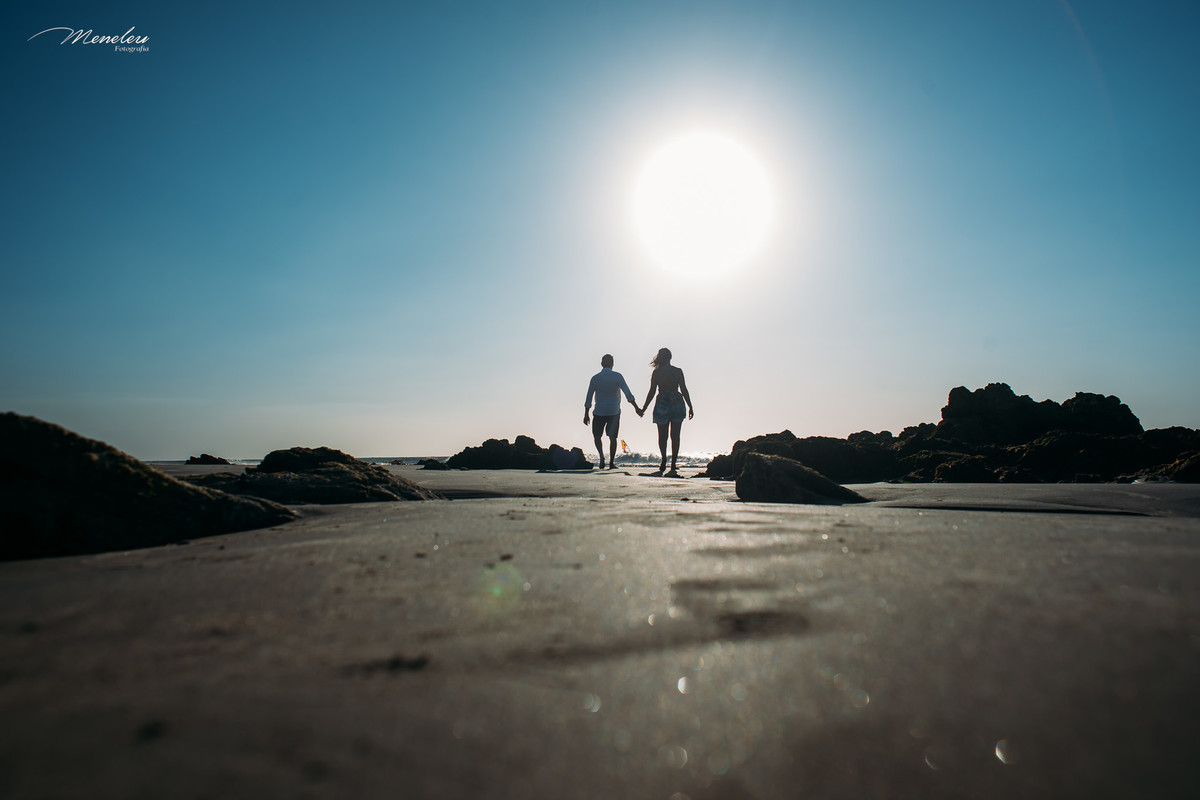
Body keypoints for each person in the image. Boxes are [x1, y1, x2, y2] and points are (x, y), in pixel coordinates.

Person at [641, 347, 694, 476]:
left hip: (662, 404)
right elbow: (684, 389)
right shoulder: (677, 371)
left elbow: (652, 391)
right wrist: (690, 406)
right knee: (675, 436)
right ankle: (673, 463)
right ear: (670, 358)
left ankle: (664, 460)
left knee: (662, 435)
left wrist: (644, 407)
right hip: (676, 403)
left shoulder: (657, 373)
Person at [584, 354, 640, 469]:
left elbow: (589, 397)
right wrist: (636, 408)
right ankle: (611, 463)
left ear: (601, 364)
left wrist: (586, 414)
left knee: (597, 436)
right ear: (612, 364)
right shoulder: (618, 376)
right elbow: (628, 394)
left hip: (599, 412)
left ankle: (601, 457)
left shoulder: (595, 378)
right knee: (612, 437)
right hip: (614, 412)